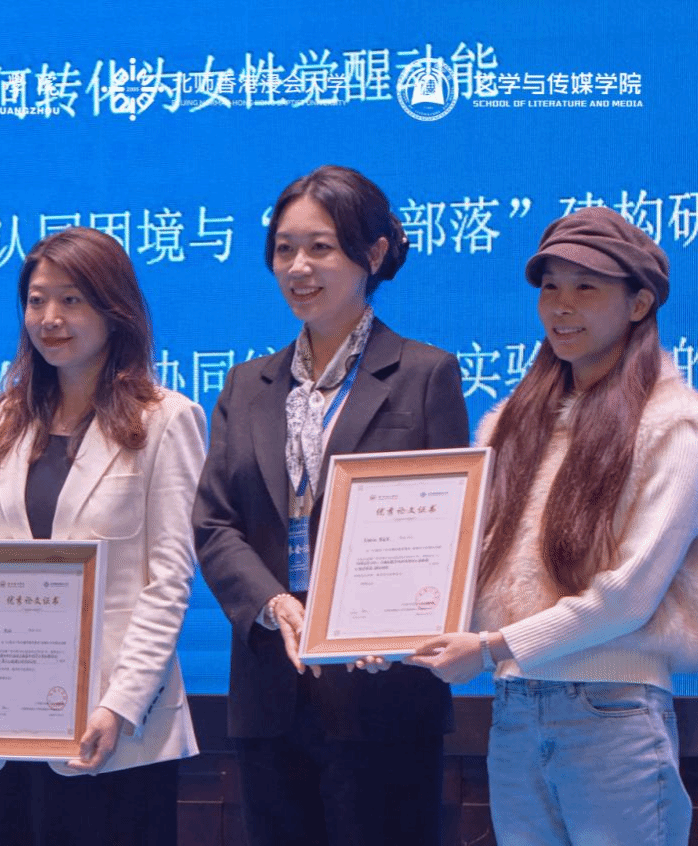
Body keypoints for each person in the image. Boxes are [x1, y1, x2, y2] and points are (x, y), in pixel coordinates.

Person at [409, 206, 698, 845]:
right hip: (516, 710)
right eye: (550, 287)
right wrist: (388, 633)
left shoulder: (672, 426)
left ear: (640, 303)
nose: (562, 305)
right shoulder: (508, 426)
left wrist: (491, 648)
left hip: (613, 710)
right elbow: (467, 565)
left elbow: (629, 597)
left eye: (586, 287)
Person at [193, 165, 469, 846]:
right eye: (284, 249)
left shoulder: (423, 374)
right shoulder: (247, 386)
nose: (298, 268)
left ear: (373, 253)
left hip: (383, 689)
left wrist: (396, 623)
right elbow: (215, 522)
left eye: (321, 248)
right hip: (270, 684)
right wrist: (272, 603)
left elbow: (446, 522)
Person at [0, 227, 205, 846]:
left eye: (72, 300)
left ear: (114, 309)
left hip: (114, 732)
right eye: (36, 300)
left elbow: (169, 582)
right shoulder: (3, 419)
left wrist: (119, 705)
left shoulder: (166, 419)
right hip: (3, 721)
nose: (50, 318)